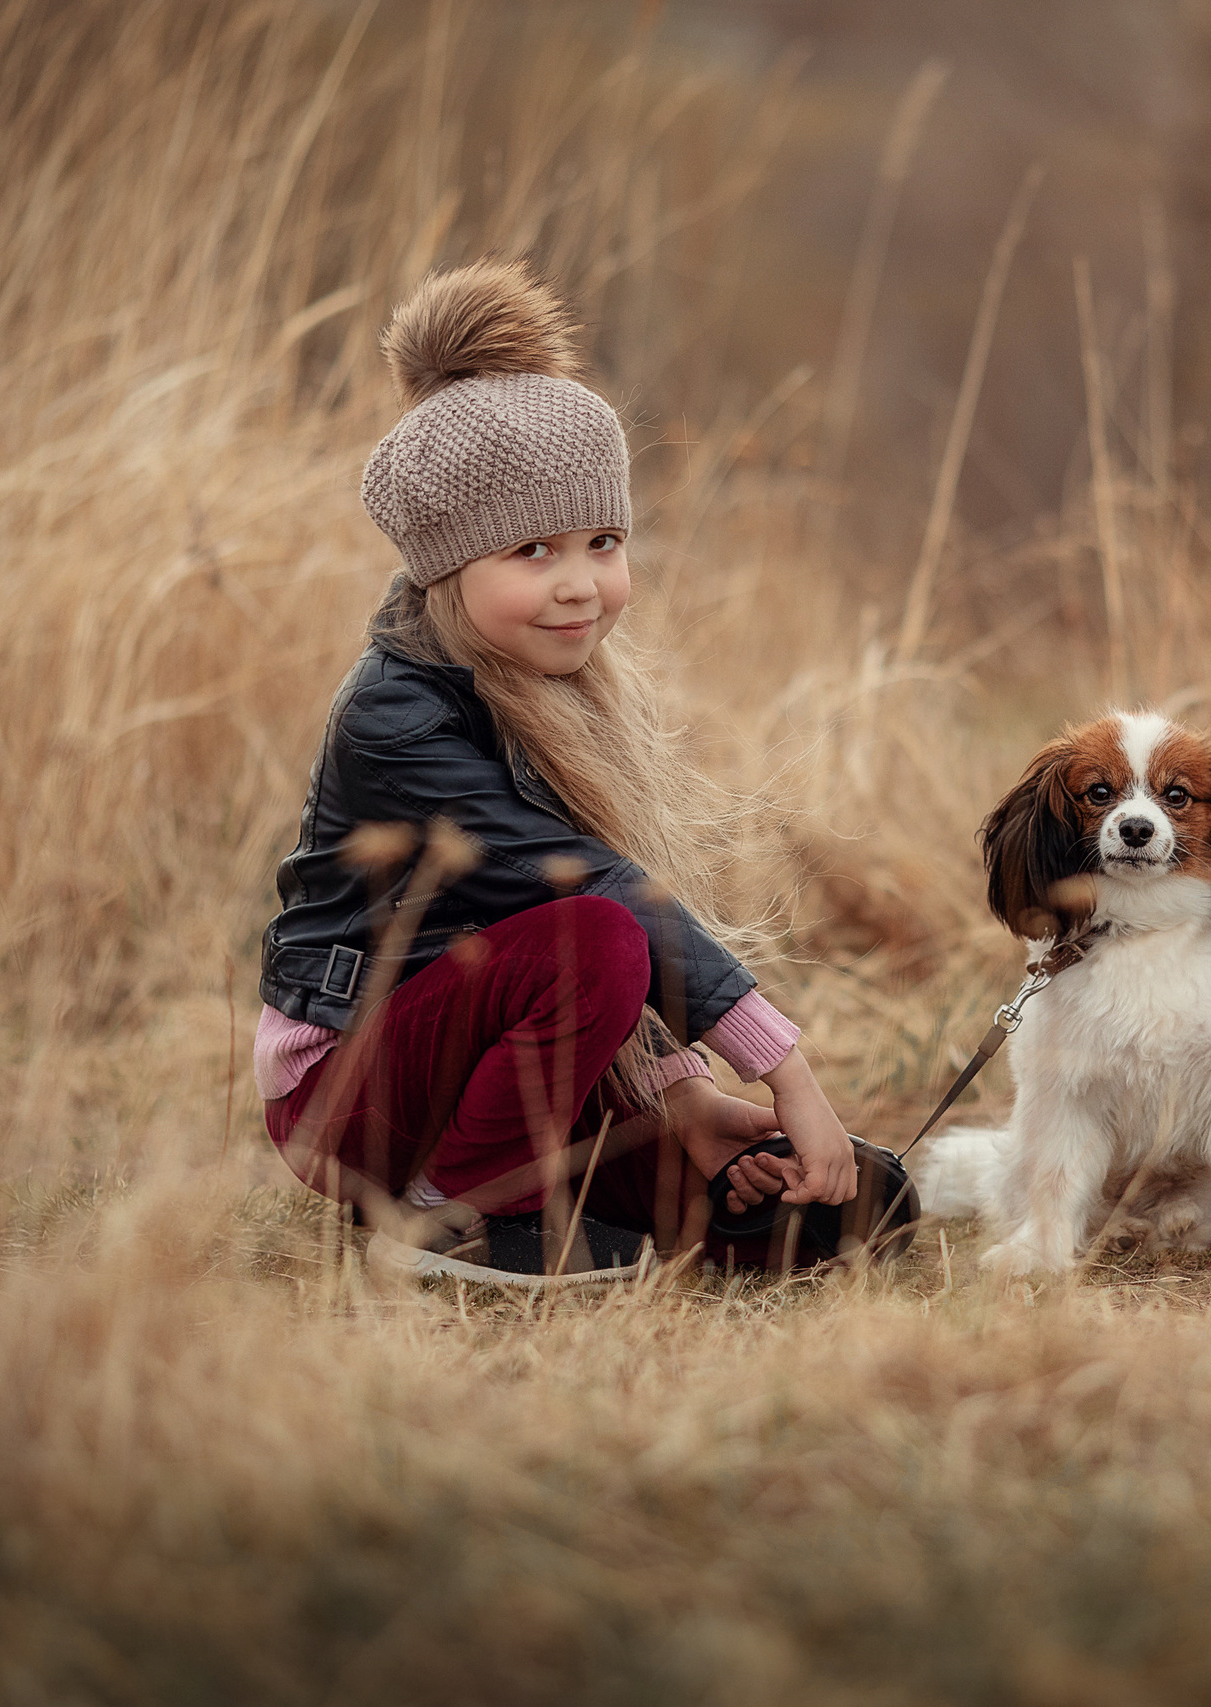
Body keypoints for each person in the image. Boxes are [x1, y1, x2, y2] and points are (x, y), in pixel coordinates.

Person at [256, 258, 876, 1284]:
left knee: (721, 1204)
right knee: (598, 935)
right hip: (351, 1092)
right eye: (533, 551)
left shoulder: (557, 690)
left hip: (472, 1063)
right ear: (448, 564)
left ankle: (685, 1193)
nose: (582, 586)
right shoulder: (394, 718)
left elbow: (562, 941)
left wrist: (682, 1095)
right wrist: (783, 1068)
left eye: (603, 541)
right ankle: (451, 1217)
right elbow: (589, 905)